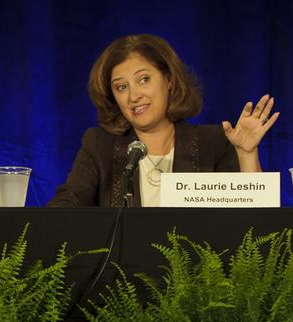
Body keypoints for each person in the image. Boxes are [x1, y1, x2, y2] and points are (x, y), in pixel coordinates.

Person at [47, 34, 278, 207]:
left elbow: (251, 225)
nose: (133, 96)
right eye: (121, 87)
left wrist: (247, 155)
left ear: (168, 80)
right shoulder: (100, 145)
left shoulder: (215, 143)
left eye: (144, 80)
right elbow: (66, 208)